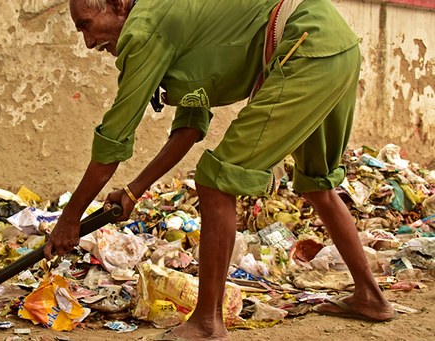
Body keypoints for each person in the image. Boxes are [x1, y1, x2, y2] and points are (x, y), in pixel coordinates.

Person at [43, 0, 397, 339]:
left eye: (86, 26)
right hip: (335, 45)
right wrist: (135, 190)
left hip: (303, 44)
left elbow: (114, 140)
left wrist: (70, 218)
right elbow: (190, 129)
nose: (89, 42)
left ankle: (208, 322)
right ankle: (370, 296)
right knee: (316, 183)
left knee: (214, 180)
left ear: (118, 4)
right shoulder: (172, 20)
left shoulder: (144, 27)